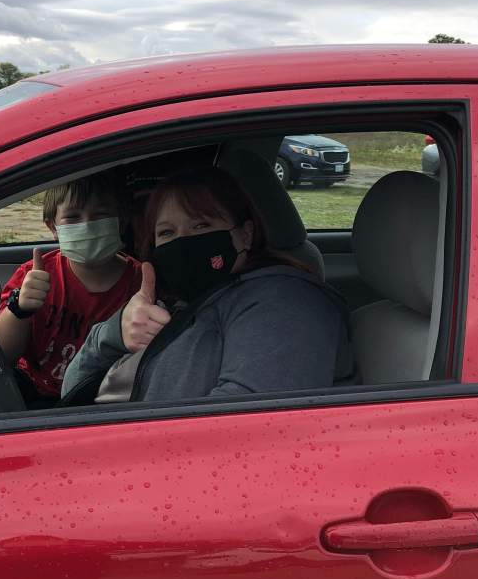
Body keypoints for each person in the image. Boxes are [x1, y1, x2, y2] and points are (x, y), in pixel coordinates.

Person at [61, 167, 347, 403]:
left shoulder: (285, 304)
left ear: (245, 235)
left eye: (201, 226)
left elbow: (247, 428)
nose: (183, 241)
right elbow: (72, 390)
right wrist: (115, 331)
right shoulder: (171, 304)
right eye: (167, 232)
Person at [0, 173, 142, 402]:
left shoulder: (140, 282)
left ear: (121, 221)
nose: (87, 226)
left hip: (99, 400)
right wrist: (20, 309)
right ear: (53, 227)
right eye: (72, 217)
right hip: (32, 389)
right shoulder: (35, 275)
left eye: (99, 215)